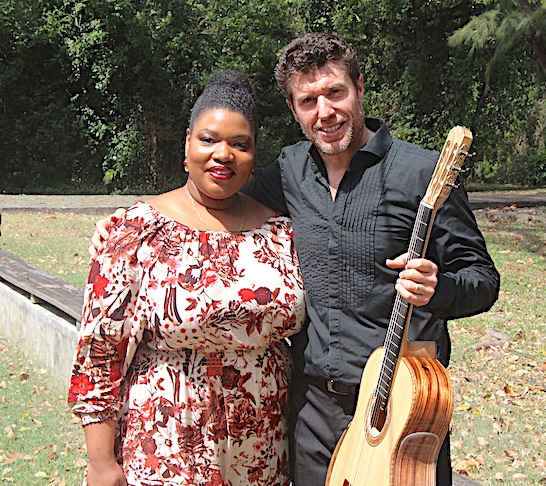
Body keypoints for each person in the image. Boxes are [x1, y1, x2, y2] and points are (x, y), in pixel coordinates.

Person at [91, 33, 500, 485]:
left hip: (400, 410)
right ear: (293, 109)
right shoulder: (287, 173)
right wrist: (133, 229)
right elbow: (218, 207)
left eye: (335, 93)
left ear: (359, 88)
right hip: (309, 415)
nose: (324, 112)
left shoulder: (420, 173)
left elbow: (483, 279)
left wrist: (438, 290)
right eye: (308, 100)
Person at [70, 70, 305, 486]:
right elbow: (100, 353)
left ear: (253, 157)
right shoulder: (137, 231)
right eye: (209, 139)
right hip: (168, 439)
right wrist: (101, 462)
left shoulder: (280, 232)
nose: (223, 154)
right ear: (187, 143)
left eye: (240, 144)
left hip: (265, 445)